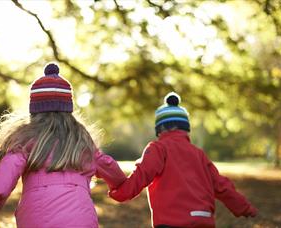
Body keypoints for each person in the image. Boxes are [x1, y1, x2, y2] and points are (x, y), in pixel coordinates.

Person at [0, 63, 126, 228]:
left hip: (35, 218)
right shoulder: (80, 138)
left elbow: (9, 167)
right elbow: (106, 163)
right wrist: (121, 185)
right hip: (80, 220)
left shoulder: (26, 138)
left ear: (34, 110)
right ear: (68, 109)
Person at [109, 92, 257, 228]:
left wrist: (119, 192)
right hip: (204, 220)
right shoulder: (199, 154)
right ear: (186, 129)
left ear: (160, 130)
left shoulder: (159, 148)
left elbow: (142, 175)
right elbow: (221, 185)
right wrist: (245, 208)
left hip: (172, 222)